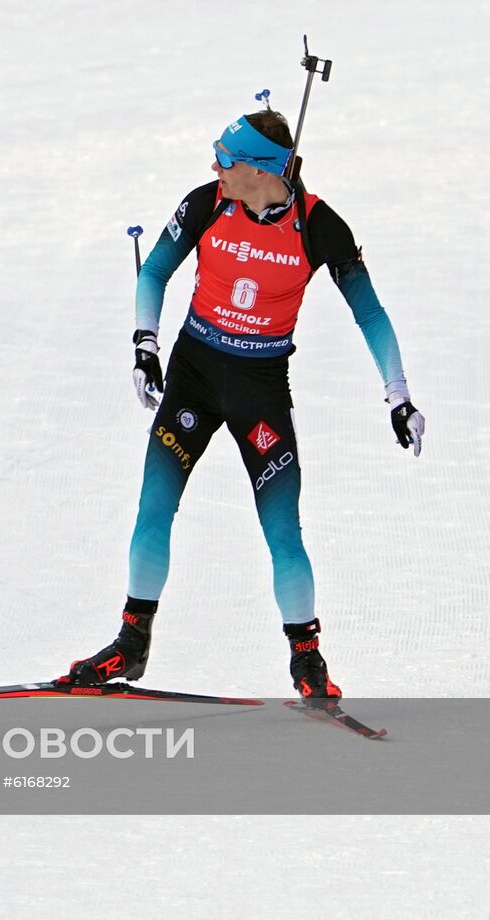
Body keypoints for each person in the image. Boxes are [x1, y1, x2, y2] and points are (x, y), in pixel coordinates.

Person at [62, 110, 424, 699]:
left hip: (260, 391)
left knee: (282, 530)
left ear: (260, 170)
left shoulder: (318, 226)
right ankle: (132, 641)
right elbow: (154, 272)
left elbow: (371, 313)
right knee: (153, 509)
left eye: (226, 159)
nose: (215, 167)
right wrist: (145, 345)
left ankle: (307, 660)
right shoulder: (207, 203)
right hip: (193, 379)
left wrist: (398, 395)